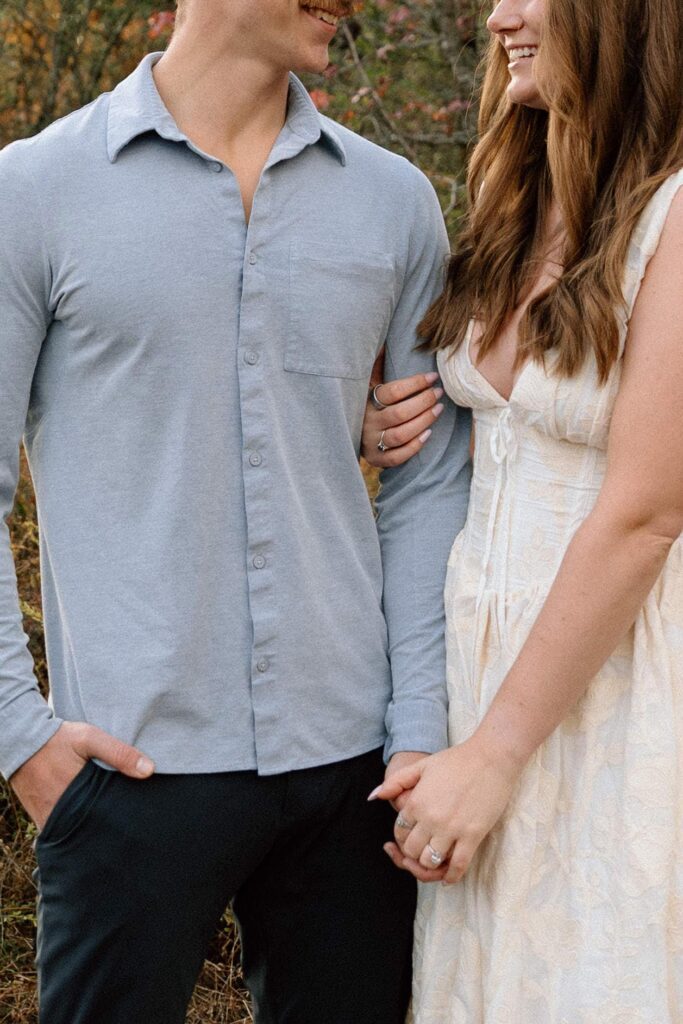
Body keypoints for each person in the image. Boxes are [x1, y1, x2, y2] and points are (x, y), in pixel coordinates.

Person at [0, 2, 472, 1021]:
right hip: (129, 768)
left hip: (354, 777)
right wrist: (22, 741)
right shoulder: (33, 192)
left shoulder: (394, 206)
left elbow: (431, 479)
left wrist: (418, 730)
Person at [364, 0, 683, 1019]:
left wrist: (497, 754)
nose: (497, 16)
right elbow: (477, 447)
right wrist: (374, 431)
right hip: (475, 688)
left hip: (612, 700)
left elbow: (645, 512)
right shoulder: (519, 189)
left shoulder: (673, 211)